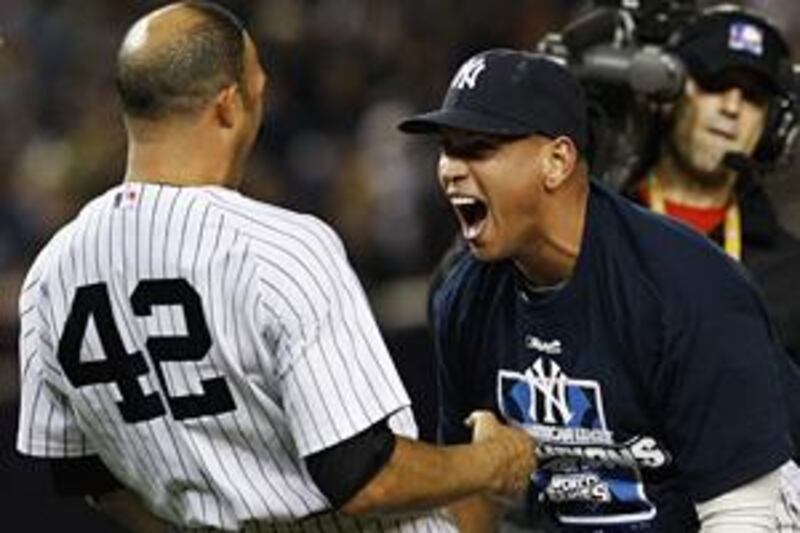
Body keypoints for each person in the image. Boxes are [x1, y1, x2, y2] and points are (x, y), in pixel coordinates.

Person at [15, 3, 537, 531]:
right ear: (226, 106)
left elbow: (86, 477)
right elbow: (365, 476)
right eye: (257, 87)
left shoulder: (48, 275)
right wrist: (491, 463)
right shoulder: (281, 247)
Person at [398, 47, 792, 531]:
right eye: (447, 148)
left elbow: (745, 513)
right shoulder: (463, 300)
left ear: (557, 160)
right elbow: (469, 502)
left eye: (478, 148)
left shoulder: (687, 286)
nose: (450, 169)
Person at [619, 7, 800, 528]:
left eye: (753, 97)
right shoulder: (591, 229)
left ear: (772, 126)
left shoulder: (791, 271)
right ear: (668, 91)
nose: (731, 108)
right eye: (714, 84)